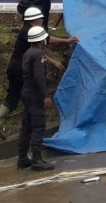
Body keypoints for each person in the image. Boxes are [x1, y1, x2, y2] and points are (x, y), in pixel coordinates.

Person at [1, 7, 77, 142]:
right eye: (40, 18)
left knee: (12, 99)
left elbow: (39, 49)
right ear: (33, 20)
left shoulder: (27, 31)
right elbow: (45, 43)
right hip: (20, 70)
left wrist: (54, 62)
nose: (42, 19)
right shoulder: (30, 32)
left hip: (15, 68)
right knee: (29, 99)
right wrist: (66, 42)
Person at [18, 26, 57, 171]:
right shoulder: (38, 54)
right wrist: (45, 96)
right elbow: (39, 77)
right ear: (41, 39)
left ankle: (22, 159)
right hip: (34, 95)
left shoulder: (28, 53)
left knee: (26, 127)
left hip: (26, 93)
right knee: (38, 126)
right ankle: (36, 159)